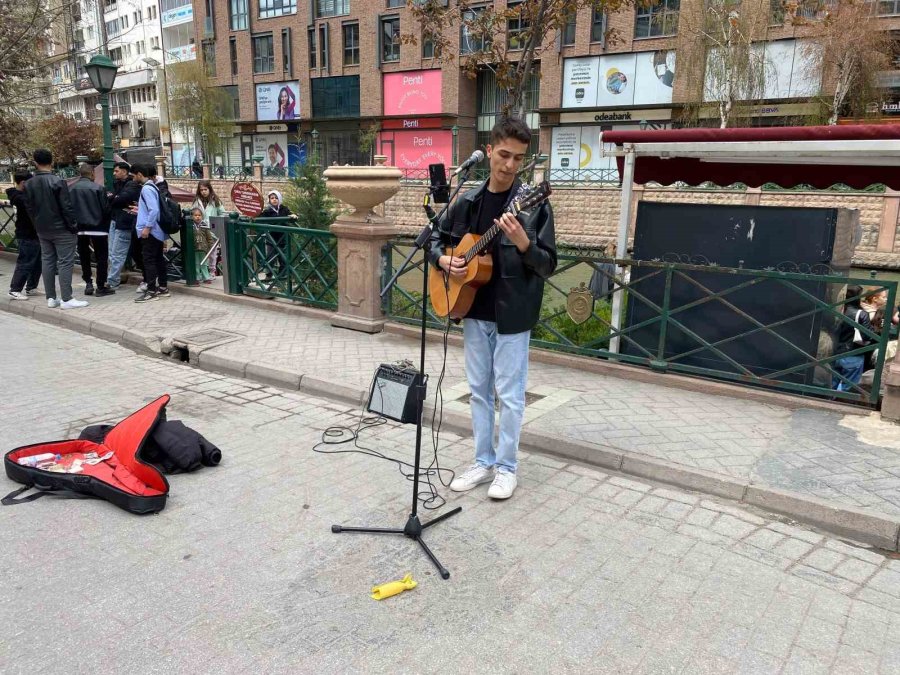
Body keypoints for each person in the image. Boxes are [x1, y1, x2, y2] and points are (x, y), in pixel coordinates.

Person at [428, 117, 557, 500]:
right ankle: (483, 461)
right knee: (479, 392)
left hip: (513, 315)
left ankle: (506, 467)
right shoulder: (468, 201)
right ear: (489, 151)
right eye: (504, 155)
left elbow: (549, 263)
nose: (510, 165)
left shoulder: (532, 205)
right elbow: (436, 236)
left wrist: (524, 244)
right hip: (471, 309)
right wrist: (442, 260)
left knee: (511, 394)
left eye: (519, 158)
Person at [23, 148, 88, 309]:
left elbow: (29, 208)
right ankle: (66, 298)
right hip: (61, 228)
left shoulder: (29, 183)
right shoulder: (58, 181)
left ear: (35, 163)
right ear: (51, 162)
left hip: (42, 228)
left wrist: (37, 225)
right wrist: (73, 227)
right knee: (65, 262)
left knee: (48, 261)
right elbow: (66, 207)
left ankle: (51, 298)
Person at [70, 163, 112, 296]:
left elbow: (67, 209)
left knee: (84, 257)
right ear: (93, 173)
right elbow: (106, 210)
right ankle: (101, 286)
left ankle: (88, 283)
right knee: (101, 257)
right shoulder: (99, 188)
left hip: (80, 228)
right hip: (98, 228)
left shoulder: (71, 189)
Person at [132, 164, 169, 302]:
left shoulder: (146, 189)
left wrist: (147, 227)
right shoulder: (153, 187)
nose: (133, 178)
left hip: (151, 231)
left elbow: (153, 210)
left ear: (140, 174)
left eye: (134, 175)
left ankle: (152, 290)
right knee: (158, 259)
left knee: (149, 260)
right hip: (157, 231)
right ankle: (163, 287)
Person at [5, 171, 43, 300]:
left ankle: (31, 287)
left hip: (33, 234)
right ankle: (15, 289)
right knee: (26, 262)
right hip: (26, 234)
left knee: (37, 262)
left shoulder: (19, 196)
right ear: (23, 183)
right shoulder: (21, 198)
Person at [107, 161, 141, 291]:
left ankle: (112, 281)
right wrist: (114, 198)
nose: (114, 174)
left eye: (116, 171)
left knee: (117, 253)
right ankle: (113, 278)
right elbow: (111, 198)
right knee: (112, 252)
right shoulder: (117, 184)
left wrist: (114, 198)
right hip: (115, 220)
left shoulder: (132, 185)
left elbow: (119, 199)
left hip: (124, 222)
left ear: (125, 171)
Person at [833, 285, 873, 392]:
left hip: (834, 353)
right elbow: (868, 335)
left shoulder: (837, 310)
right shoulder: (861, 313)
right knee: (848, 389)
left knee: (830, 385)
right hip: (853, 353)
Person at [193, 180, 225, 282]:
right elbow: (193, 213)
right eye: (201, 190)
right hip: (200, 230)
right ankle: (201, 273)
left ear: (209, 189)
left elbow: (222, 213)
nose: (203, 192)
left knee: (212, 253)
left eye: (205, 189)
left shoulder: (215, 200)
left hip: (212, 230)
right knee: (200, 252)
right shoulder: (196, 201)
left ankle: (212, 271)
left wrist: (217, 224)